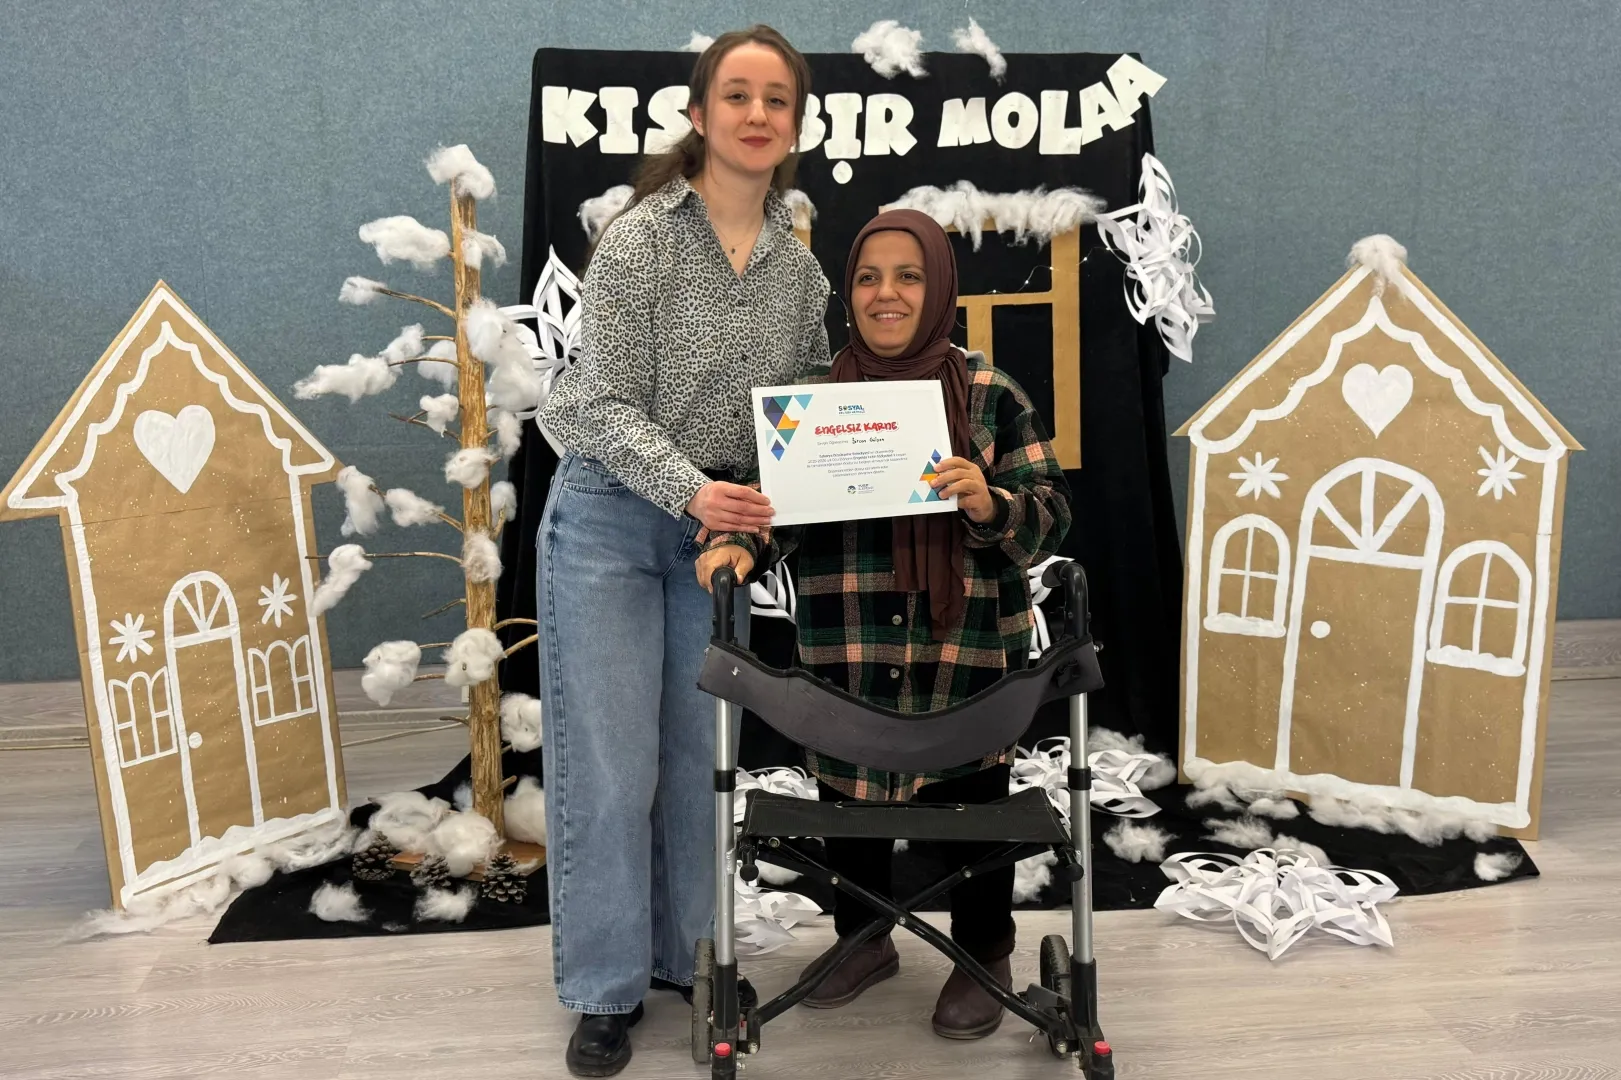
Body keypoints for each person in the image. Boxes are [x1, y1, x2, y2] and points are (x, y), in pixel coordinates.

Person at [698, 209, 1072, 1039]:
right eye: (867, 278)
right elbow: (766, 509)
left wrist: (992, 503)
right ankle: (863, 940)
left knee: (973, 813)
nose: (885, 293)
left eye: (908, 275)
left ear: (938, 288)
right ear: (849, 293)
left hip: (969, 660)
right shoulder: (812, 402)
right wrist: (734, 544)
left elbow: (1051, 514)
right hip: (847, 658)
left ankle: (985, 953)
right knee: (848, 807)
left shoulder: (991, 394)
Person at [535, 25, 829, 1078]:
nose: (757, 114)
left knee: (703, 768)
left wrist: (750, 512)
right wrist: (694, 490)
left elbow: (795, 412)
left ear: (796, 125)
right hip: (608, 524)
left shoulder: (802, 273)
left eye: (776, 99)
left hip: (714, 543)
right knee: (611, 773)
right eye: (737, 95)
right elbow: (593, 405)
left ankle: (695, 962)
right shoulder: (641, 241)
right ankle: (604, 988)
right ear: (700, 115)